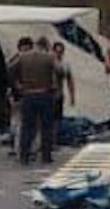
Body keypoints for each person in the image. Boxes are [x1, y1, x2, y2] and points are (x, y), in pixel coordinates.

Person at [8, 35, 58, 164]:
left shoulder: (23, 57)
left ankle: (24, 156)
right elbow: (60, 70)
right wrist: (54, 85)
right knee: (46, 127)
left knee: (27, 127)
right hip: (45, 94)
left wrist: (18, 84)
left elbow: (10, 69)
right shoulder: (49, 57)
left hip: (28, 94)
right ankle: (46, 156)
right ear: (46, 46)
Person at [51, 41, 76, 124]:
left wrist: (72, 96)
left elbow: (70, 81)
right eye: (57, 52)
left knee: (57, 118)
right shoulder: (47, 62)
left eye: (60, 52)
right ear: (53, 51)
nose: (58, 54)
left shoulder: (65, 65)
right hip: (48, 95)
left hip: (58, 95)